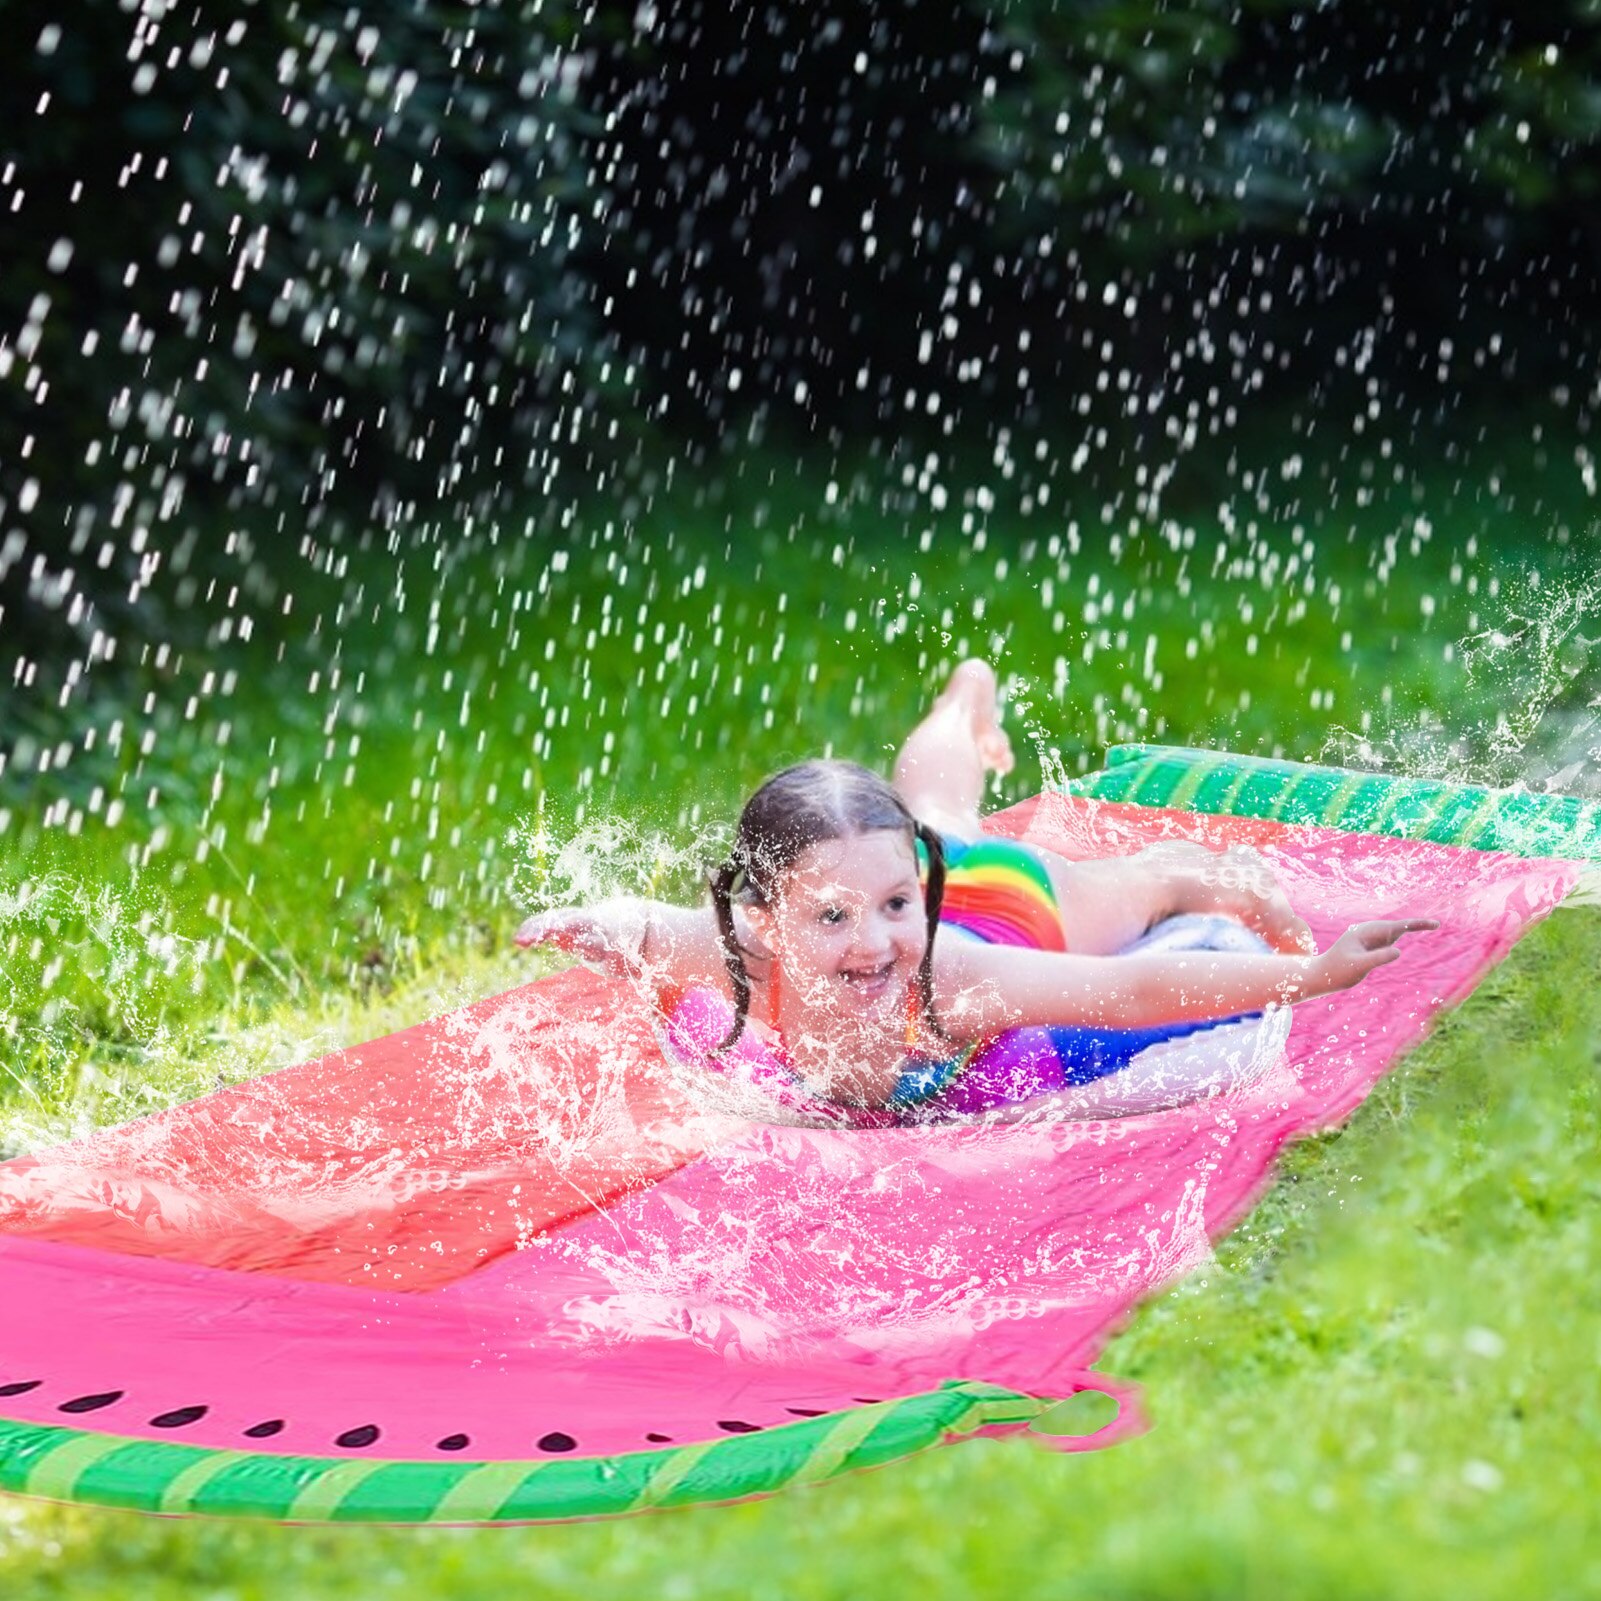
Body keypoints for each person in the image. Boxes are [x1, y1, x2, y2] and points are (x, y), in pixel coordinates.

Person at [516, 661, 1435, 1127]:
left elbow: (1128, 994)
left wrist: (1309, 975)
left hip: (1010, 906)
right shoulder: (745, 954)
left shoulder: (950, 979)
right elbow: (645, 926)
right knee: (941, 806)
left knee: (967, 828)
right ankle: (966, 697)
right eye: (830, 917)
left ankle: (980, 711)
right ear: (765, 923)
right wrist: (588, 923)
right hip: (926, 869)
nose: (871, 944)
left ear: (910, 890)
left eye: (887, 907)